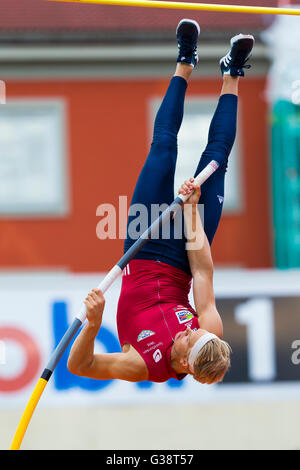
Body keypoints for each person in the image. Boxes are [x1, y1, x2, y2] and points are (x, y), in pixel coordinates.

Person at [67, 19, 255, 385]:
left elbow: (81, 366)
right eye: (197, 331)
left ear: (185, 364)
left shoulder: (144, 366)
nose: (190, 329)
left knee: (162, 151)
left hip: (141, 246)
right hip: (184, 257)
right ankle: (230, 72)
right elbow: (202, 272)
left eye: (189, 337)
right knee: (215, 158)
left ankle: (185, 60)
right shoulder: (210, 328)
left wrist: (92, 324)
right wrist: (189, 211)